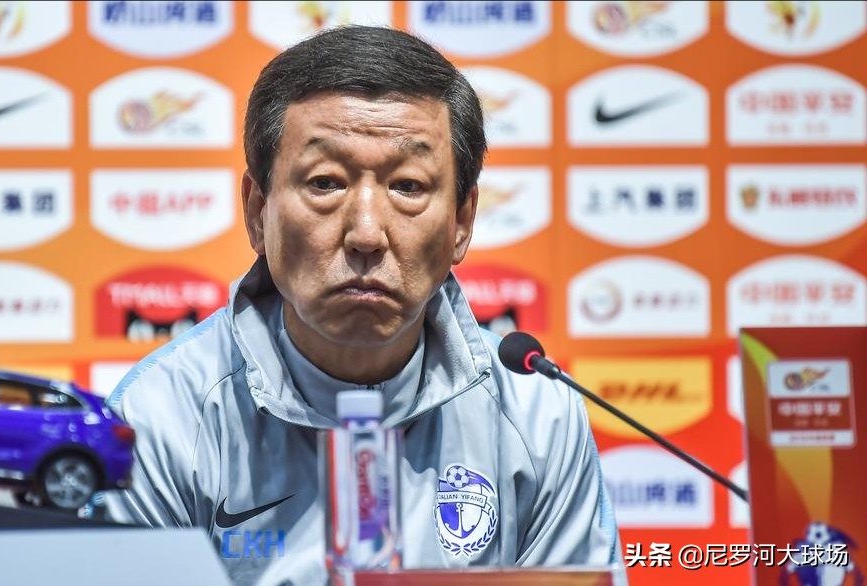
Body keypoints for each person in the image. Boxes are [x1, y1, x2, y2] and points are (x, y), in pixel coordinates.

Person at [102, 25, 622, 586]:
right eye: (326, 183)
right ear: (257, 212)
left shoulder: (535, 411)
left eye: (408, 186)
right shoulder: (161, 416)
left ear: (462, 222)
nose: (367, 233)